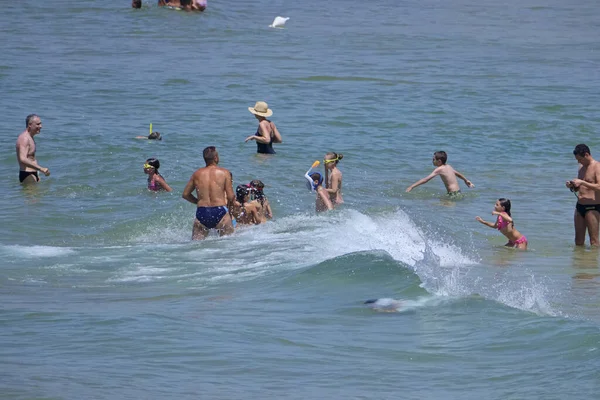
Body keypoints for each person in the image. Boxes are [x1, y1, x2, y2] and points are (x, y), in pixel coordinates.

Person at [182, 146, 235, 240]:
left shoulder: (197, 174)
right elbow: (231, 197)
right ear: (216, 158)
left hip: (202, 211)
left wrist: (198, 201)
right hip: (220, 210)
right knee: (228, 244)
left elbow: (185, 195)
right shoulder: (224, 172)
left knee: (196, 247)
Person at [566, 144, 600, 246]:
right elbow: (580, 187)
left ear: (586, 155)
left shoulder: (597, 166)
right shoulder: (581, 167)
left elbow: (599, 186)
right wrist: (572, 186)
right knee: (578, 241)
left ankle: (593, 261)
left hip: (593, 207)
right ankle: (580, 262)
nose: (578, 162)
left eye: (580, 159)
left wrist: (582, 182)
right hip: (579, 206)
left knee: (594, 241)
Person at [405, 151, 474, 196]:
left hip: (452, 194)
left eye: (433, 159)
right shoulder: (448, 166)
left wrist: (412, 186)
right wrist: (466, 180)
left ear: (439, 161)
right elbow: (458, 174)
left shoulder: (439, 169)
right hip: (458, 192)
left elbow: (425, 180)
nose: (432, 161)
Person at [15, 114, 50, 184]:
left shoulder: (30, 137)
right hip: (27, 174)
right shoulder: (24, 138)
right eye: (38, 124)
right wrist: (41, 169)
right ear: (30, 125)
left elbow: (31, 158)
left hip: (33, 173)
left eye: (40, 124)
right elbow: (23, 159)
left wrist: (37, 172)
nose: (41, 126)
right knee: (32, 194)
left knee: (38, 194)